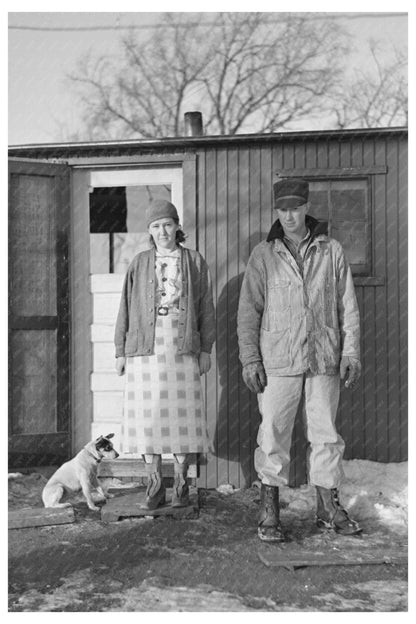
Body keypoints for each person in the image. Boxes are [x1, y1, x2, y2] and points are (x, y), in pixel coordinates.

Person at [237, 178, 362, 542]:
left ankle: (327, 506)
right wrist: (250, 360)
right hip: (278, 359)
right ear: (276, 211)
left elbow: (347, 307)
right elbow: (248, 312)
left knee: (325, 434)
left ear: (306, 207)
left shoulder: (331, 251)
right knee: (273, 434)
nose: (288, 216)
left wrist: (350, 351)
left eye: (294, 208)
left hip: (323, 356)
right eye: (282, 209)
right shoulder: (264, 255)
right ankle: (270, 510)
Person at [114, 199, 215, 510]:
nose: (163, 231)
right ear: (149, 230)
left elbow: (206, 309)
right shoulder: (139, 262)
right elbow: (126, 308)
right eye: (156, 226)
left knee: (181, 415)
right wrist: (120, 350)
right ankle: (155, 486)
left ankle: (182, 486)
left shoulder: (194, 261)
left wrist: (205, 348)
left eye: (168, 224)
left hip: (182, 343)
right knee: (149, 417)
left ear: (177, 227)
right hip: (145, 345)